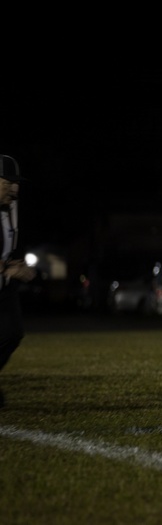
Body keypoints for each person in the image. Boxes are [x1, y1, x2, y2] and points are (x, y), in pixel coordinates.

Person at [1, 155, 38, 408]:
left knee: (12, 333)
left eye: (17, 182)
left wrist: (15, 265)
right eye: (7, 182)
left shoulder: (11, 206)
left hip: (3, 283)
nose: (14, 188)